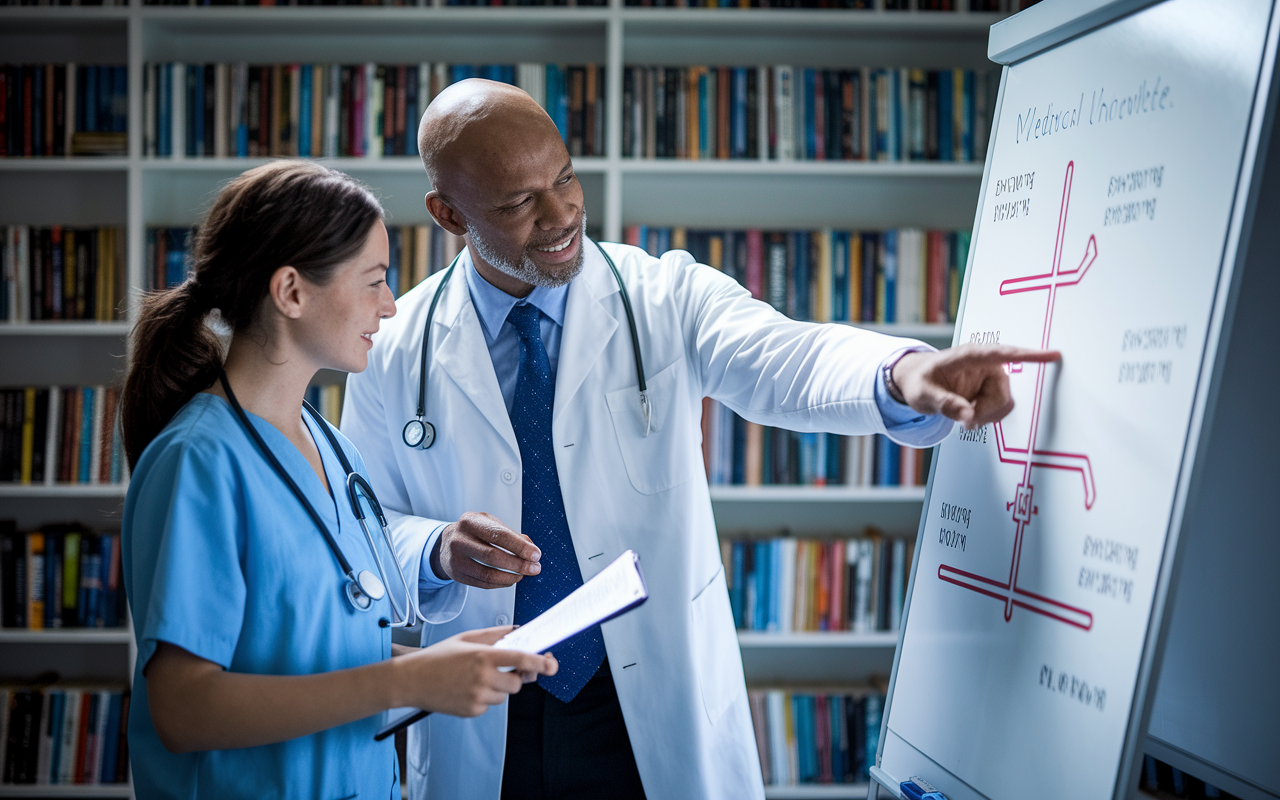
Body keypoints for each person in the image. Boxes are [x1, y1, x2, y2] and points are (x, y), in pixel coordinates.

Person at [340, 80, 1058, 800]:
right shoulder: (393, 349)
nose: (561, 216)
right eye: (517, 202)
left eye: (564, 179)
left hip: (649, 701)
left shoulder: (664, 294)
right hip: (484, 712)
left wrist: (902, 373)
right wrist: (434, 550)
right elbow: (364, 532)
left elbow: (787, 358)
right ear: (448, 213)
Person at [120, 160, 556, 800]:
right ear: (291, 292)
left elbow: (327, 652)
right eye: (375, 280)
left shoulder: (331, 445)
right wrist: (409, 681)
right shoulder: (199, 462)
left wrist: (452, 665)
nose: (390, 304)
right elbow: (185, 711)